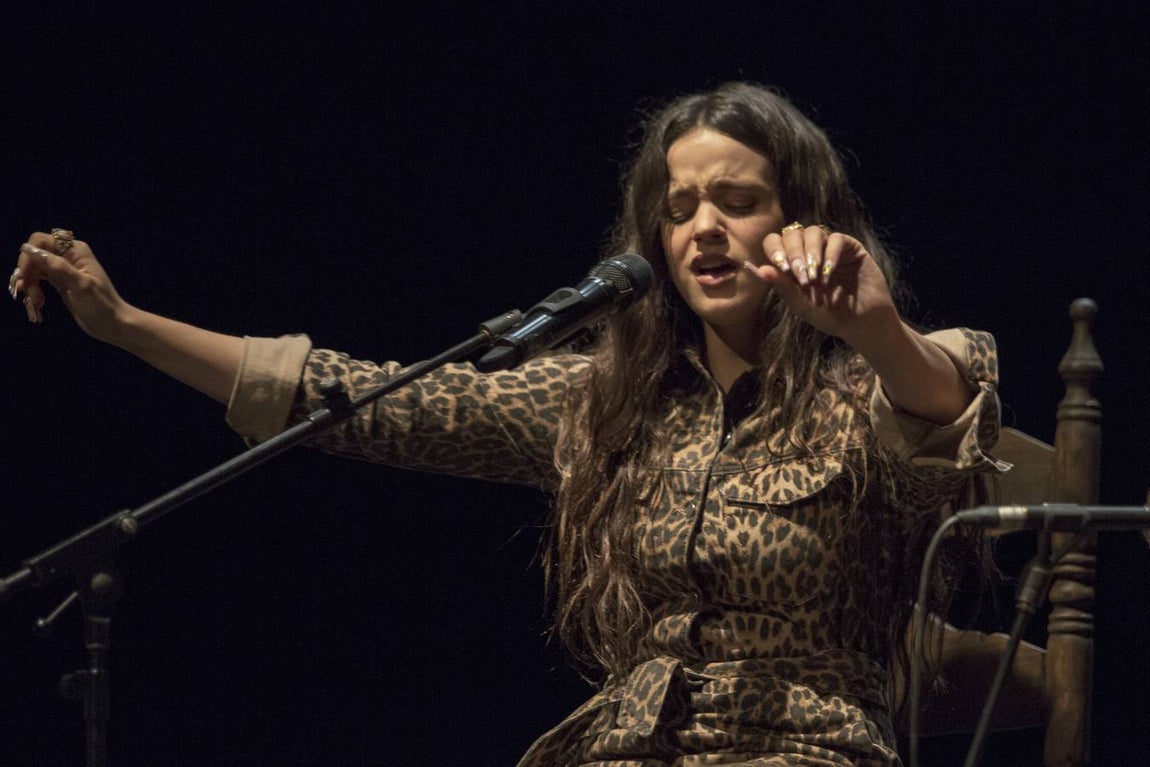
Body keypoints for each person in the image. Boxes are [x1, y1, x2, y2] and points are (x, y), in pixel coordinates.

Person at [10, 82, 1002, 766]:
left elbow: (945, 400)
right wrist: (126, 324)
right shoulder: (608, 400)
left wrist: (874, 327)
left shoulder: (867, 386)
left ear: (801, 216)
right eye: (679, 207)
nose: (703, 226)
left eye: (737, 201)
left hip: (803, 749)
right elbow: (376, 403)